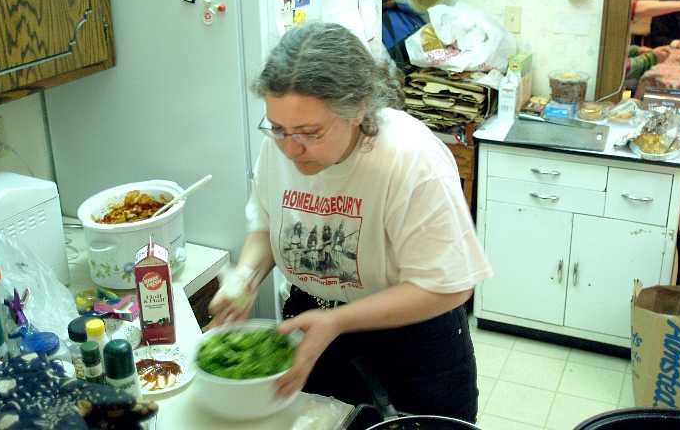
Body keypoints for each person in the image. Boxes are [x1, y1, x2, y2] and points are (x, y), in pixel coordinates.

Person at [209, 22, 492, 423]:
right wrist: (246, 277)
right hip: (314, 327)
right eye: (278, 129)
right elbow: (268, 223)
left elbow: (450, 286)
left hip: (411, 343)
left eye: (309, 132)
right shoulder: (283, 148)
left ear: (358, 108)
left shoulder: (410, 159)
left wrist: (338, 320)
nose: (290, 148)